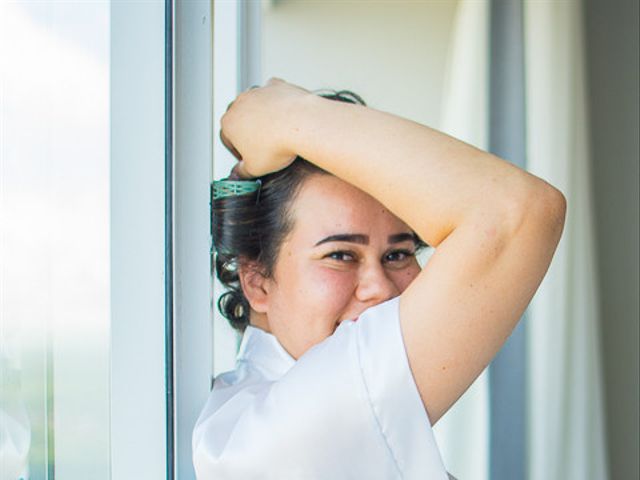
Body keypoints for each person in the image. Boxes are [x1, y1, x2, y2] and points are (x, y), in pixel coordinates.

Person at [193, 78, 566, 479]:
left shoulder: (255, 420)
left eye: (398, 254)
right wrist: (287, 115)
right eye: (339, 255)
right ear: (256, 280)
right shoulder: (285, 433)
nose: (382, 287)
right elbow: (517, 213)